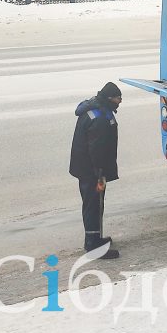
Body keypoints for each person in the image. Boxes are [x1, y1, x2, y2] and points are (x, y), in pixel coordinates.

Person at [69, 82, 123, 260]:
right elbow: (97, 149)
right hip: (92, 171)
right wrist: (100, 174)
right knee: (94, 205)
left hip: (87, 168)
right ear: (109, 98)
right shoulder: (99, 117)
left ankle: (95, 238)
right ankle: (93, 245)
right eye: (118, 97)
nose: (120, 101)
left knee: (93, 204)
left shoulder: (94, 109)